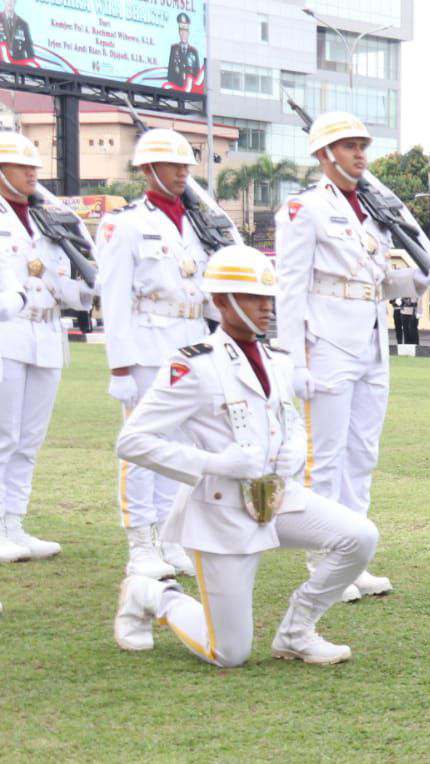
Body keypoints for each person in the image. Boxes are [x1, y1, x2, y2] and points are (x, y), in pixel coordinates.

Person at [112, 245, 379, 667]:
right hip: (221, 512)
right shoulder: (193, 366)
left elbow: (285, 417)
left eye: (269, 298)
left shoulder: (275, 360)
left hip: (275, 497)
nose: (266, 308)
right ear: (220, 302)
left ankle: (297, 631)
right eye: (253, 297)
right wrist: (211, 464)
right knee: (229, 653)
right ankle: (151, 594)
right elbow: (132, 441)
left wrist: (294, 446)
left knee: (359, 537)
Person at [273, 111, 430, 602]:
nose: (359, 154)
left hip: (371, 340)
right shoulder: (303, 210)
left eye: (361, 146)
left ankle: (352, 557)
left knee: (362, 455)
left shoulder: (374, 212)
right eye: (348, 146)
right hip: (325, 342)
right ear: (325, 155)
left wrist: (417, 278)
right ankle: (323, 558)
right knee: (325, 458)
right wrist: (293, 358)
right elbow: (289, 287)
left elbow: (374, 283)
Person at [97, 127, 241, 579]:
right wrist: (118, 365)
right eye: (173, 165)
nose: (183, 173)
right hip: (144, 345)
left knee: (181, 448)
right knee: (142, 448)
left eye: (186, 165)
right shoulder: (125, 224)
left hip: (192, 341)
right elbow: (114, 297)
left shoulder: (201, 224)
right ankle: (141, 542)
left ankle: (171, 538)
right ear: (148, 169)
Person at [0, 132, 94, 564]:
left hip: (47, 335)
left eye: (35, 168)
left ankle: (14, 523)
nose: (33, 175)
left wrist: (87, 286)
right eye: (23, 168)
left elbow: (68, 281)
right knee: (4, 436)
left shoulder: (47, 219)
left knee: (30, 440)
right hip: (8, 333)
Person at [0, 0, 35, 65]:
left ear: (15, 0)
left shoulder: (23, 25)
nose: (9, 1)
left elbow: (31, 54)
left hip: (19, 72)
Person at [165, 13, 202, 92]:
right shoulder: (174, 48)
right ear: (179, 32)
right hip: (175, 87)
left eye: (185, 31)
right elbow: (170, 72)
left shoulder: (194, 51)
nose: (183, 34)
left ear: (188, 33)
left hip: (189, 88)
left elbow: (197, 73)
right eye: (181, 31)